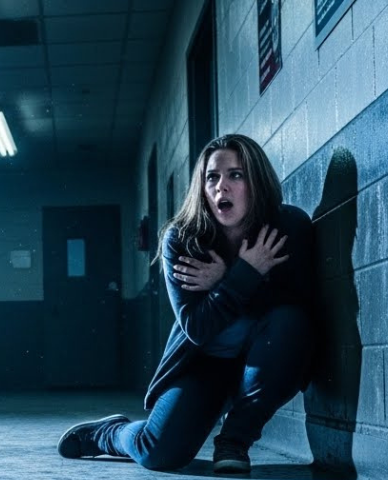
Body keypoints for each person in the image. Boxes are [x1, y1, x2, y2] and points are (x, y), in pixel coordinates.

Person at [56, 134, 314, 473]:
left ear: (257, 181)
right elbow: (197, 327)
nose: (222, 187)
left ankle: (234, 441)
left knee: (290, 324)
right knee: (158, 454)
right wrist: (245, 274)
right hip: (204, 361)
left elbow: (294, 311)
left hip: (263, 359)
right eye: (212, 177)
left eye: (236, 175)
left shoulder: (288, 227)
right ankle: (111, 433)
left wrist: (226, 281)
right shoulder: (183, 239)